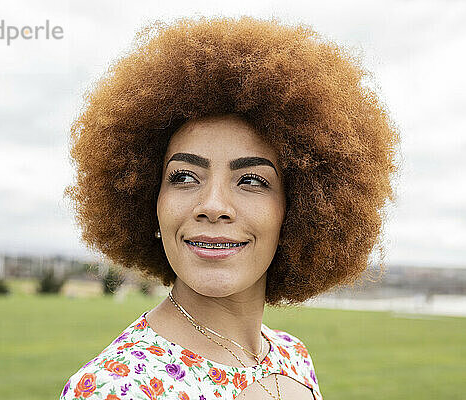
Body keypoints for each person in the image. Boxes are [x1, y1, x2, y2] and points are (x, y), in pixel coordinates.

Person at [60, 15, 400, 400]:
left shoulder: (292, 358)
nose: (213, 206)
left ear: (299, 211)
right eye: (184, 177)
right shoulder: (115, 388)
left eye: (252, 180)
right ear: (148, 202)